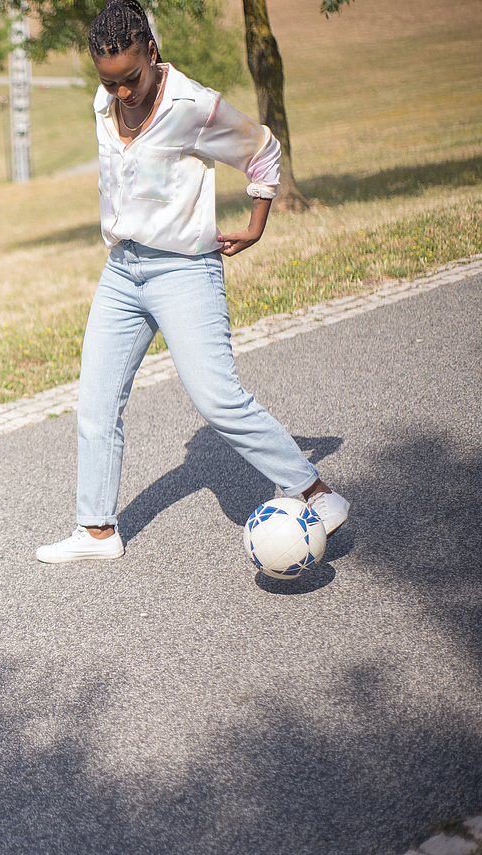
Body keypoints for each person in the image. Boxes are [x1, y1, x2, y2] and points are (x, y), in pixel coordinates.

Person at [36, 0, 349, 564]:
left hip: (184, 270)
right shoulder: (105, 101)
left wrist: (256, 223)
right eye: (110, 83)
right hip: (122, 272)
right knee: (96, 402)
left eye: (131, 78)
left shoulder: (193, 107)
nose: (123, 93)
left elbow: (263, 150)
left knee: (218, 399)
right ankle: (98, 531)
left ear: (152, 51)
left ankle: (313, 491)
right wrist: (112, 93)